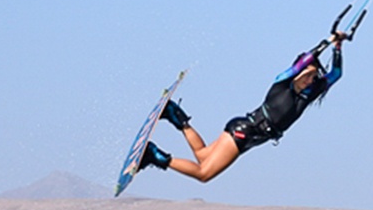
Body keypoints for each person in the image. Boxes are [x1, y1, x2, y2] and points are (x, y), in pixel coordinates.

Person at [139, 32, 346, 183]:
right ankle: (155, 156)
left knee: (202, 155)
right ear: (298, 72)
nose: (310, 79)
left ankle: (176, 116)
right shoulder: (282, 83)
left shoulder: (306, 97)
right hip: (245, 132)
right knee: (204, 174)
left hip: (246, 131)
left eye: (313, 76)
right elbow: (303, 62)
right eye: (307, 74)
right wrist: (328, 42)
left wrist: (337, 48)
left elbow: (336, 74)